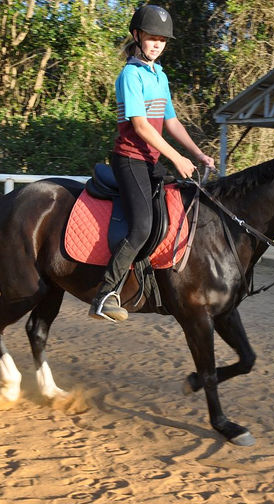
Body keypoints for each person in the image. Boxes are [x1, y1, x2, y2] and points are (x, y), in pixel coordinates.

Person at [89, 4, 215, 322]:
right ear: (137, 36)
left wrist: (197, 153)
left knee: (174, 213)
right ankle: (104, 296)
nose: (157, 44)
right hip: (130, 160)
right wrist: (177, 157)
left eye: (162, 39)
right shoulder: (130, 75)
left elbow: (170, 122)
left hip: (152, 161)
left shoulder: (160, 75)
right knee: (142, 226)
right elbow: (142, 126)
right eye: (151, 37)